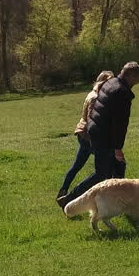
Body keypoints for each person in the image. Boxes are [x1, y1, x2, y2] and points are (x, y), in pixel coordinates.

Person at [58, 61, 139, 210]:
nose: (137, 82)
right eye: (137, 79)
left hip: (95, 130)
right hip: (104, 137)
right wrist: (118, 148)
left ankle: (119, 201)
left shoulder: (110, 82)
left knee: (117, 167)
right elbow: (120, 124)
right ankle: (69, 199)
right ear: (131, 76)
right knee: (101, 174)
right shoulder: (122, 93)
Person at [57, 70, 113, 202]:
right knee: (105, 168)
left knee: (77, 165)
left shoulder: (93, 93)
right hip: (89, 136)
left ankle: (63, 191)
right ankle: (72, 197)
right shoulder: (95, 97)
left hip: (83, 134)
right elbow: (92, 120)